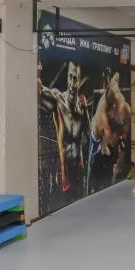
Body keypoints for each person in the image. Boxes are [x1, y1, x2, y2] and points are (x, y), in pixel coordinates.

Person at [38, 61, 89, 193]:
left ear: (79, 81)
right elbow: (39, 90)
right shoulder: (58, 101)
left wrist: (86, 111)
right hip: (65, 177)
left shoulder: (81, 109)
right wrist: (37, 69)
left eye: (75, 79)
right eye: (70, 77)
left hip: (80, 173)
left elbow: (89, 135)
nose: (72, 83)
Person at [87, 69, 132, 194]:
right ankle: (92, 187)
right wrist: (117, 136)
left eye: (111, 113)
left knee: (116, 154)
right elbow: (112, 141)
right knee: (99, 157)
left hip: (114, 131)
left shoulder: (125, 107)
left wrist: (121, 157)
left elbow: (116, 76)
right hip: (98, 136)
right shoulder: (103, 113)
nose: (110, 115)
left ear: (115, 107)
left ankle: (111, 181)